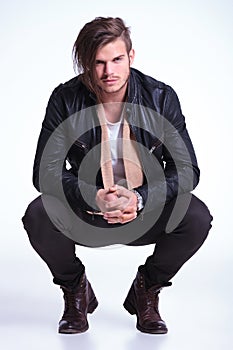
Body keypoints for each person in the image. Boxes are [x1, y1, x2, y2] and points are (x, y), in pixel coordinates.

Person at [22, 17, 213, 335]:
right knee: (38, 214)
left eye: (116, 59)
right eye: (98, 62)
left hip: (143, 210)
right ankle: (75, 290)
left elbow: (187, 170)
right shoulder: (65, 99)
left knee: (195, 216)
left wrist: (140, 199)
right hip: (89, 209)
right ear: (86, 63)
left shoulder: (160, 97)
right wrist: (92, 195)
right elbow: (44, 172)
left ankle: (146, 290)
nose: (109, 71)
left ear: (131, 56)